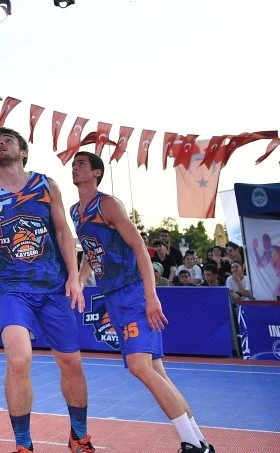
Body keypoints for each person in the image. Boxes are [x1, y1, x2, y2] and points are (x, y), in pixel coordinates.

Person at [70, 151, 213, 453]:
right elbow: (91, 252)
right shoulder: (75, 212)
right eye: (74, 164)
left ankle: (192, 443)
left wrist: (151, 296)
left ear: (96, 173)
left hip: (132, 291)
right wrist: (80, 282)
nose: (75, 168)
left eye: (81, 164)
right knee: (157, 373)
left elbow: (138, 246)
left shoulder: (107, 204)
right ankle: (198, 440)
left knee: (139, 366)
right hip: (112, 296)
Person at [0, 129, 93, 453]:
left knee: (71, 363)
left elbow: (63, 232)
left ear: (23, 151)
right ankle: (24, 444)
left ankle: (79, 436)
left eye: (8, 140)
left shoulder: (46, 185)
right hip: (10, 289)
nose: (1, 143)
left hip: (52, 287)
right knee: (19, 361)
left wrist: (74, 276)